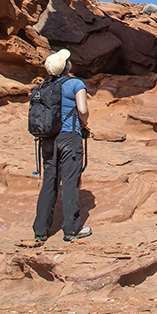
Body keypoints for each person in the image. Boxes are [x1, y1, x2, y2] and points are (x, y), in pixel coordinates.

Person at [32, 48, 92, 243]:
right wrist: (84, 124)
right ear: (67, 67)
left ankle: (40, 230)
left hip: (47, 139)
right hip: (69, 137)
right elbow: (82, 110)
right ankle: (72, 229)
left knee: (49, 182)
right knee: (69, 182)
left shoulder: (42, 87)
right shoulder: (75, 84)